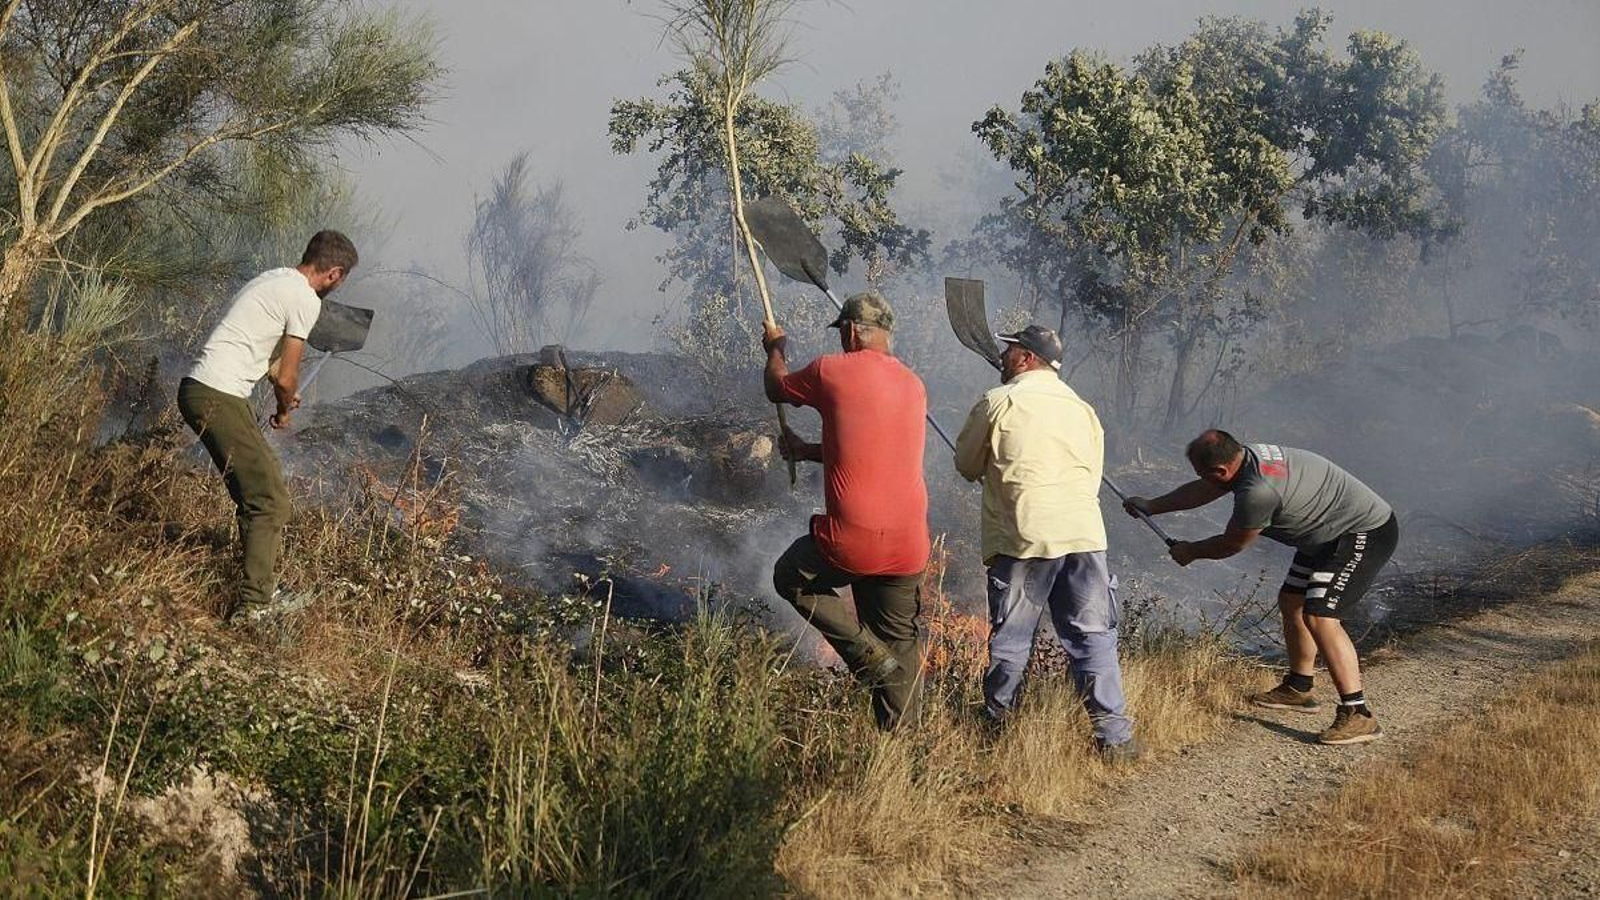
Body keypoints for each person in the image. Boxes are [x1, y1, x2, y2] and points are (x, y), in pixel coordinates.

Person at [1124, 430, 1399, 745]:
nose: (1204, 480)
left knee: (1320, 616)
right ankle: (1298, 688)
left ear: (1222, 471)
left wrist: (1191, 551)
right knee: (1292, 601)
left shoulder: (1258, 492)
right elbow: (1205, 489)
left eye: (1205, 474)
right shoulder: (1246, 457)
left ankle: (1358, 714)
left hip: (1362, 533)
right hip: (1326, 534)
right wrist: (1152, 505)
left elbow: (1231, 544)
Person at [953, 324, 1138, 760]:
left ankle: (997, 729)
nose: (1002, 356)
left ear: (1026, 358)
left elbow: (965, 463)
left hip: (1024, 537)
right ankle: (1114, 738)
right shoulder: (1082, 409)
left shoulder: (997, 401)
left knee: (1013, 638)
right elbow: (1091, 475)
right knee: (1092, 636)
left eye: (1009, 350)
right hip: (1083, 534)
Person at [764, 291, 930, 730]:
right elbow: (869, 451)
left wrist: (775, 349)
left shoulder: (830, 370)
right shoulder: (914, 385)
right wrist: (807, 451)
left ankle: (863, 653)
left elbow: (776, 386)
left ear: (852, 331)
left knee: (790, 577)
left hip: (851, 540)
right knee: (901, 646)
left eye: (842, 332)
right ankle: (903, 753)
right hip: (909, 543)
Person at [177, 230, 358, 620]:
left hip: (204, 389)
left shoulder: (273, 279)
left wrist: (282, 387)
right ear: (335, 274)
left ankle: (260, 586)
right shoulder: (305, 300)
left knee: (262, 490)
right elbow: (287, 375)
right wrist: (285, 406)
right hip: (217, 393)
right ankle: (255, 606)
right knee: (271, 501)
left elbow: (273, 365)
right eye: (342, 280)